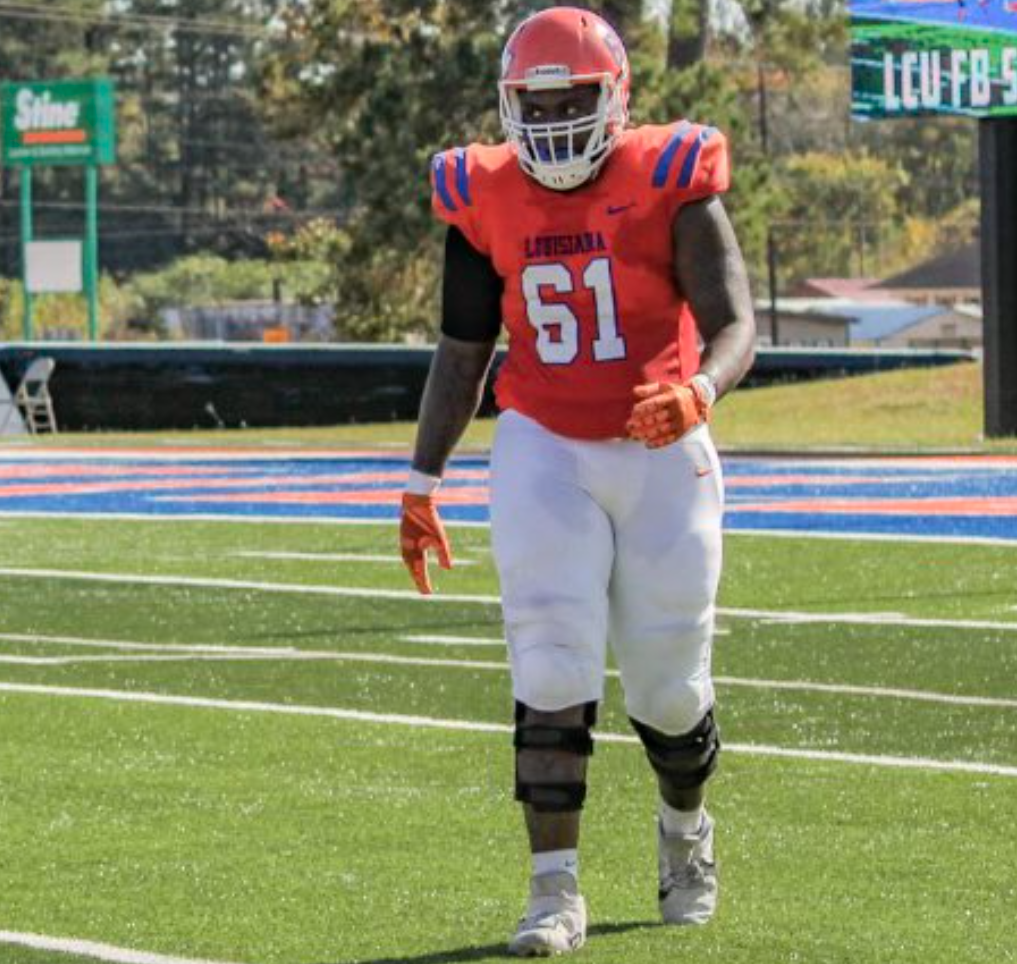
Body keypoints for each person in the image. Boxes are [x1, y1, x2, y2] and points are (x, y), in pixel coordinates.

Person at [398, 6, 756, 957]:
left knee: (670, 691)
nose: (554, 120)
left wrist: (700, 389)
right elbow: (464, 347)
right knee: (551, 664)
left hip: (661, 449)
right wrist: (420, 479)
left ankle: (686, 831)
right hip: (543, 443)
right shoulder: (483, 194)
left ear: (616, 97)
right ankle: (553, 892)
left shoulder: (670, 177)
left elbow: (736, 323)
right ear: (510, 105)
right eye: (537, 103)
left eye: (573, 100)